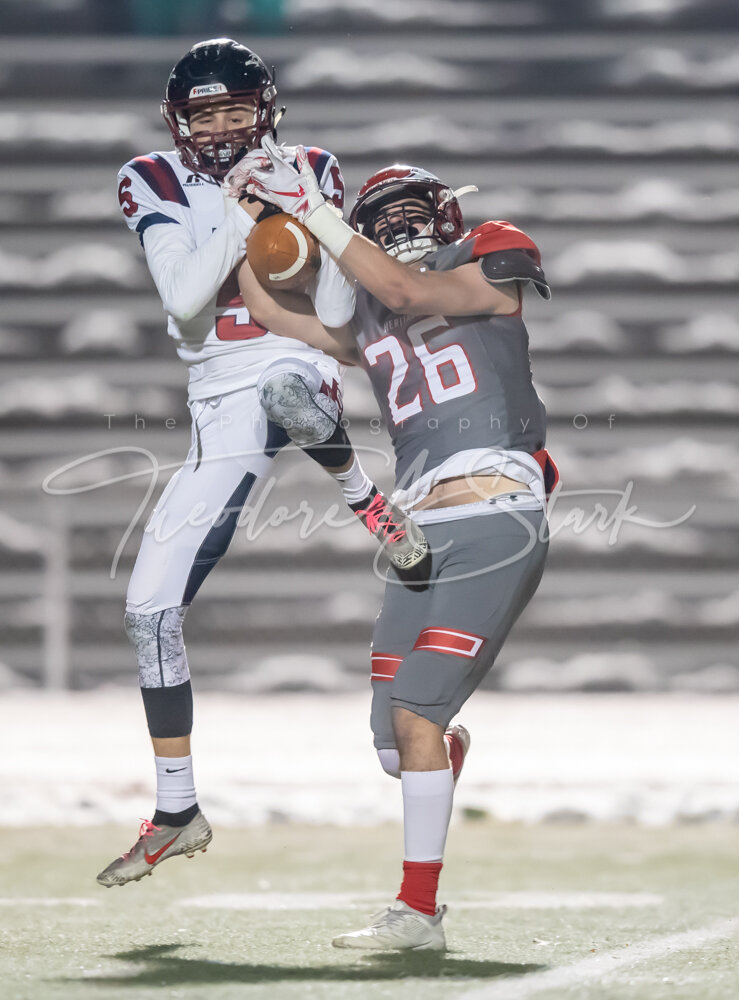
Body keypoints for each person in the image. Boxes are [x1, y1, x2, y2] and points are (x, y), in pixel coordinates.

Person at [96, 39, 429, 889]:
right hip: (215, 389)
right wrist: (248, 214)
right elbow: (181, 298)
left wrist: (306, 216)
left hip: (297, 356)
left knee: (289, 383)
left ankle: (364, 498)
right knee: (147, 612)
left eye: (235, 111)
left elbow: (334, 309)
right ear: (177, 122)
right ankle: (178, 809)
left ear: (266, 110)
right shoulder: (153, 177)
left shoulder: (310, 162)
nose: (219, 129)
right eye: (202, 115)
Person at [235, 144, 559, 950]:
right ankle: (438, 752)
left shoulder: (487, 260)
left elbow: (405, 287)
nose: (400, 224)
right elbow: (272, 309)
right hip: (417, 531)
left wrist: (315, 211)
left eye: (413, 209)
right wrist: (249, 222)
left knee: (414, 713)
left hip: (495, 512)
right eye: (384, 216)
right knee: (394, 747)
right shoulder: (368, 317)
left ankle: (418, 914)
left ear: (447, 215)